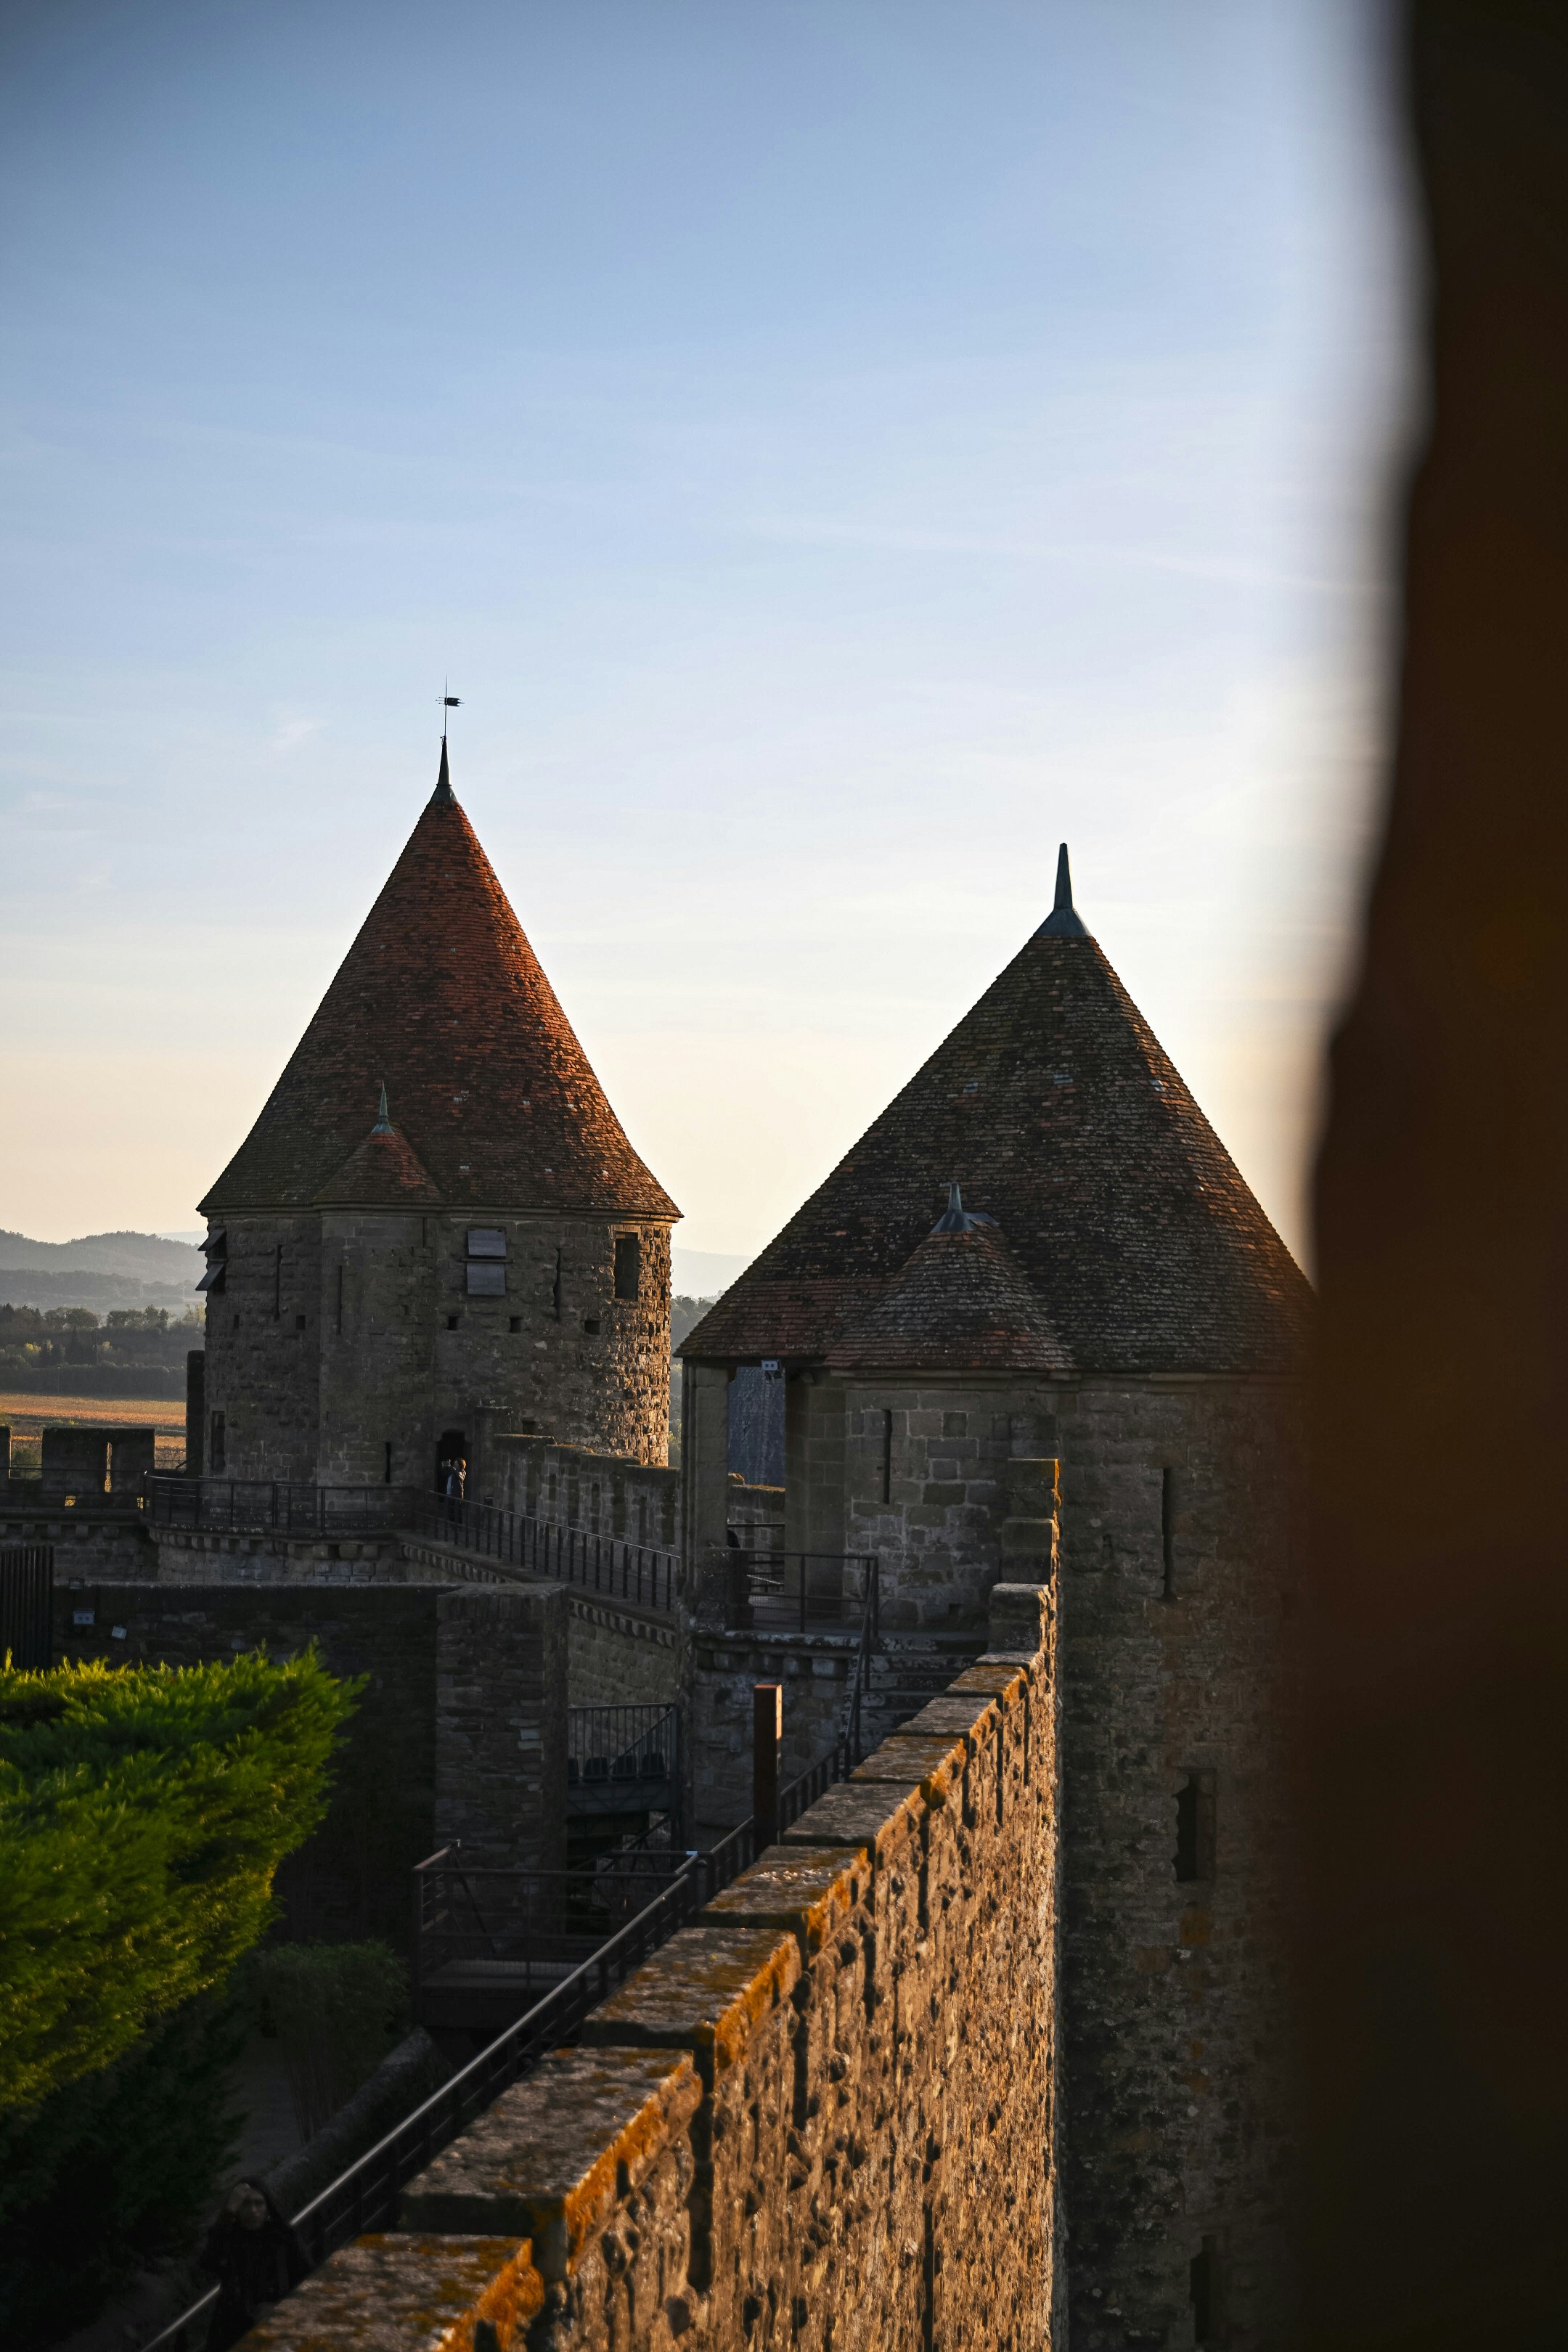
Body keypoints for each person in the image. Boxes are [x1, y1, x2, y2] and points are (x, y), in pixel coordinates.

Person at [201, 2177, 307, 2351]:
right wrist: (228, 2212)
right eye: (246, 2204)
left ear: (267, 2207)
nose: (253, 2210)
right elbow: (209, 2262)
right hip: (234, 2327)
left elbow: (304, 2274)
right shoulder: (230, 2237)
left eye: (258, 2204)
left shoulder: (282, 2236)